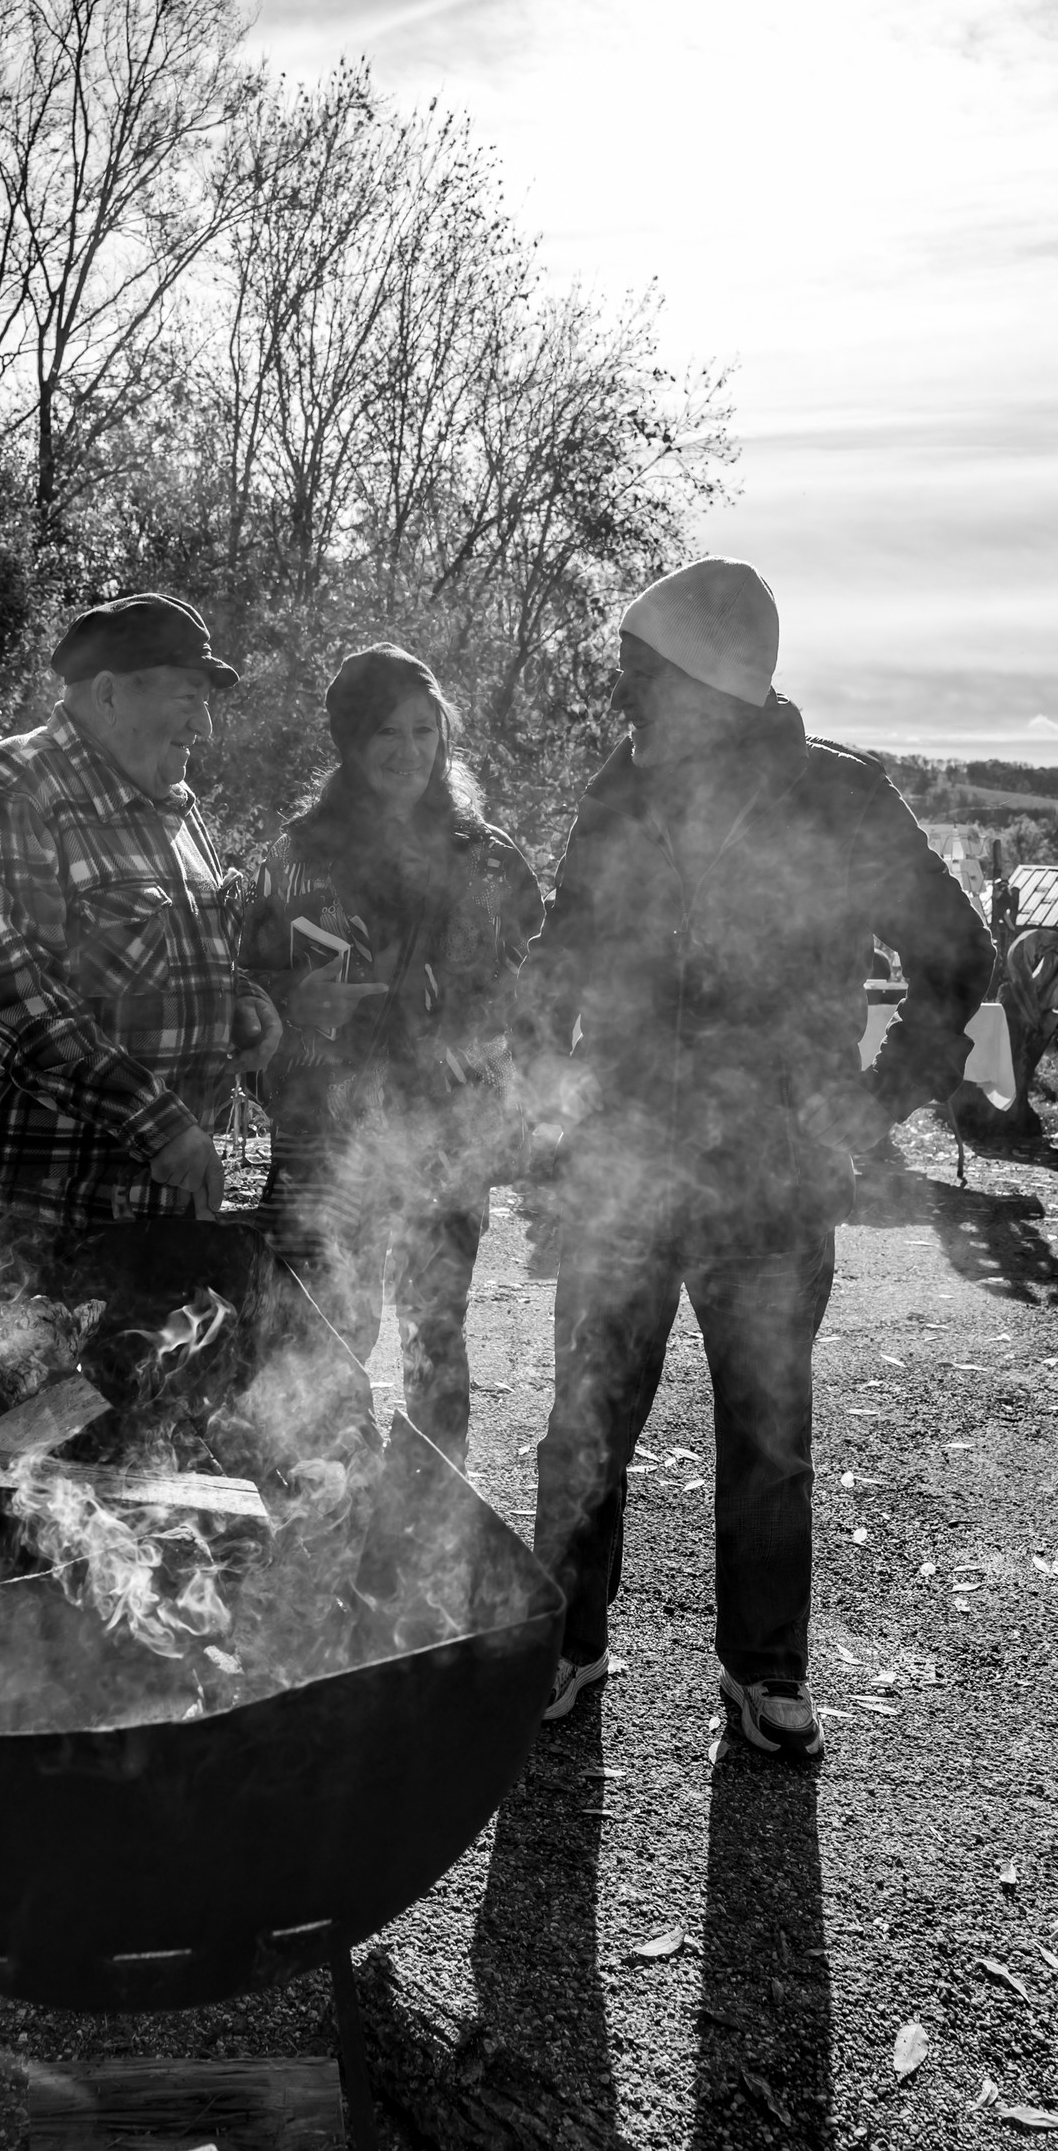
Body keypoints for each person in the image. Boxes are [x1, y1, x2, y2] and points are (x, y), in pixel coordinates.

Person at [517, 557, 994, 1758]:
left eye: (639, 676)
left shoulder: (835, 799)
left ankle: (763, 1676)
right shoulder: (616, 793)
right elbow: (563, 950)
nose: (622, 700)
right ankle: (560, 1648)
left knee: (769, 1437)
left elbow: (955, 956)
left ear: (710, 685)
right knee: (585, 1419)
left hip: (771, 1173)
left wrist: (879, 1097)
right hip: (624, 1158)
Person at [240, 645, 543, 1465]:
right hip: (323, 1142)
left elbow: (542, 995)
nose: (411, 751)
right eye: (387, 731)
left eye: (426, 730)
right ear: (347, 739)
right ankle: (324, 1518)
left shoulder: (490, 860)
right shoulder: (295, 857)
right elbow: (236, 982)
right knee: (320, 1337)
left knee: (435, 1339)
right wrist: (288, 999)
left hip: (447, 1140)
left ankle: (431, 1522)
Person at [0, 592, 282, 1238]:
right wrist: (160, 1123)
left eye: (206, 702)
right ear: (111, 695)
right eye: (187, 699)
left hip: (155, 1202)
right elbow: (20, 1003)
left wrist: (240, 1002)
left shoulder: (174, 801)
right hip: (31, 1210)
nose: (204, 726)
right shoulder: (15, 787)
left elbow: (167, 957)